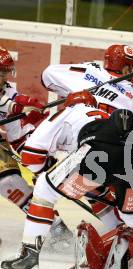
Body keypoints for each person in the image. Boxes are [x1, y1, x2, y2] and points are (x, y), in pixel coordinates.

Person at [0, 91, 133, 269]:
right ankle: (130, 239)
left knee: (43, 188)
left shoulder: (65, 114)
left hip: (93, 160)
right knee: (97, 190)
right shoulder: (103, 115)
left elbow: (30, 155)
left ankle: (29, 256)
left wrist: (44, 172)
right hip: (128, 164)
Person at [41, 44, 133, 230]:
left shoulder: (88, 71)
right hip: (116, 156)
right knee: (102, 190)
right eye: (131, 67)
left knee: (51, 188)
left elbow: (47, 76)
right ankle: (124, 231)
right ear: (126, 68)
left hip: (80, 148)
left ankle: (37, 234)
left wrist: (77, 89)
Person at [0, 46, 72, 245]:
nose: (5, 77)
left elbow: (14, 103)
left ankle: (53, 226)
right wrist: (23, 105)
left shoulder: (5, 88)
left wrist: (32, 103)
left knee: (11, 183)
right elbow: (7, 104)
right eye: (1, 72)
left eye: (6, 73)